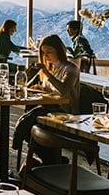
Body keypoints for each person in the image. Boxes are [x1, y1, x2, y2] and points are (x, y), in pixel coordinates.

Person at [13, 34, 81, 164]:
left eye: (49, 52)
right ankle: (52, 159)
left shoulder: (71, 68)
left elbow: (64, 90)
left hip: (65, 111)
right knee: (32, 114)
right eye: (43, 52)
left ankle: (19, 134)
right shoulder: (51, 68)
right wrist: (41, 88)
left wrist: (47, 74)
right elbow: (51, 90)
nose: (46, 56)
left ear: (59, 51)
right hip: (50, 106)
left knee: (34, 115)